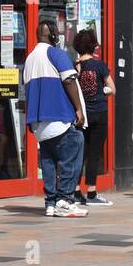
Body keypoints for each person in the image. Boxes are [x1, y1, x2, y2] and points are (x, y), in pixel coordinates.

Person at [23, 20, 89, 218]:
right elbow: (69, 80)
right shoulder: (55, 53)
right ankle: (65, 199)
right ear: (53, 35)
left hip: (39, 122)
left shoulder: (30, 59)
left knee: (49, 161)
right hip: (59, 117)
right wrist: (78, 109)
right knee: (73, 151)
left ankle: (50, 202)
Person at [70, 29, 112, 206]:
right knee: (94, 154)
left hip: (81, 114)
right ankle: (92, 192)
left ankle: (76, 191)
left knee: (79, 153)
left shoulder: (74, 65)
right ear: (93, 46)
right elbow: (112, 88)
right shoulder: (100, 66)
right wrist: (104, 90)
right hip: (100, 113)